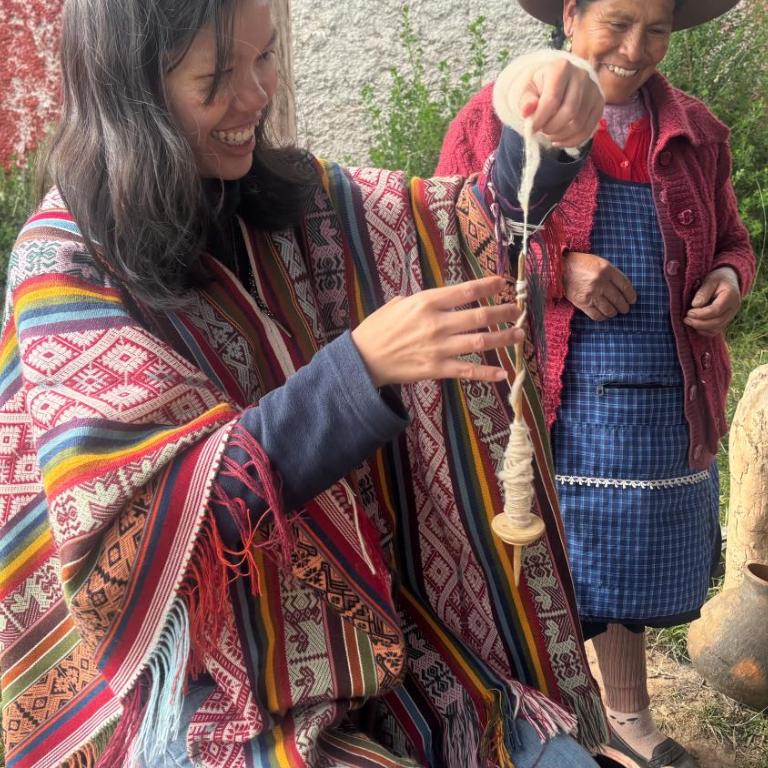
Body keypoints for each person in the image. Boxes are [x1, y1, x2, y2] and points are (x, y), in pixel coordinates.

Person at [0, 1, 611, 767]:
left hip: (381, 638)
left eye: (265, 58)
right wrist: (357, 372)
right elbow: (132, 544)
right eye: (218, 76)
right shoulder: (66, 266)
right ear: (132, 91)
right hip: (197, 684)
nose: (256, 96)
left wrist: (541, 117)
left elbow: (467, 224)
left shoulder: (283, 197)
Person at [436, 1, 755, 767]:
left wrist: (729, 277)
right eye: (617, 20)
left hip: (656, 390)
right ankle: (531, 714)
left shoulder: (695, 129)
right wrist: (557, 269)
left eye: (657, 28)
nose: (636, 48)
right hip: (541, 393)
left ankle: (626, 715)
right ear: (572, 15)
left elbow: (735, 240)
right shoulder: (501, 113)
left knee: (628, 557)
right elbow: (446, 235)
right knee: (538, 554)